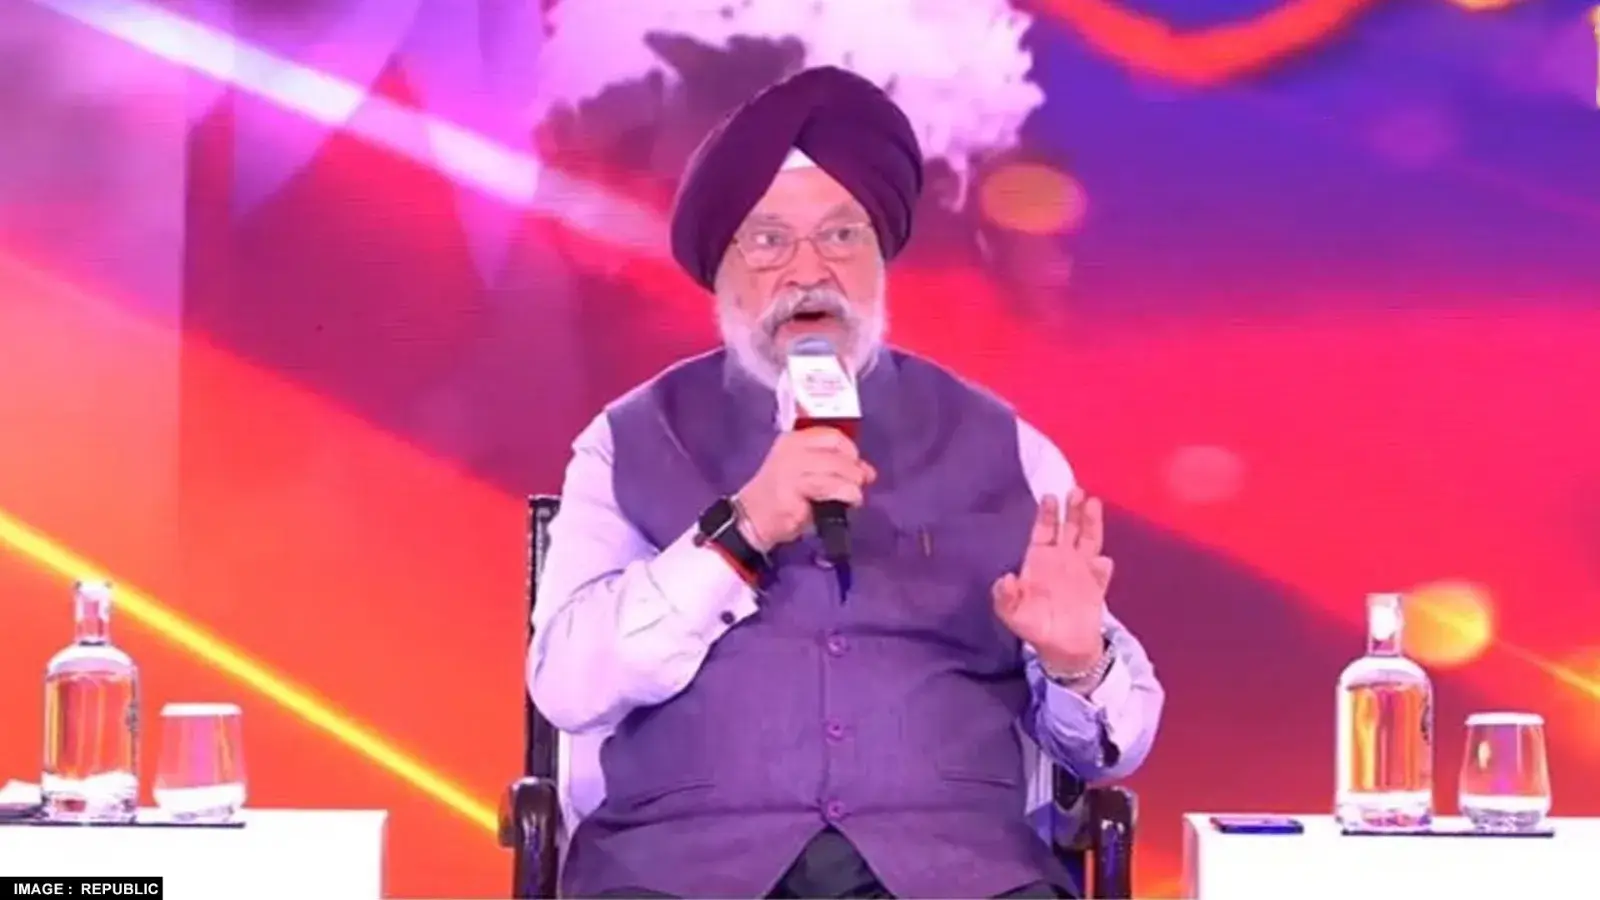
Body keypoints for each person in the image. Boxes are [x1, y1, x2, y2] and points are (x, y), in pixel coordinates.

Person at [526, 66, 1165, 900]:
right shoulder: (629, 440)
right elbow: (567, 687)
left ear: (881, 259)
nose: (809, 272)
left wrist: (1076, 662)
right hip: (682, 877)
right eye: (768, 241)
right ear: (721, 271)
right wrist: (740, 530)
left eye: (840, 236)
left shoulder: (1011, 450)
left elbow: (1110, 747)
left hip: (956, 877)